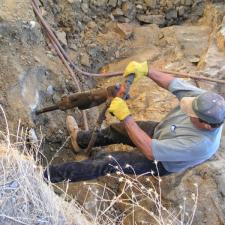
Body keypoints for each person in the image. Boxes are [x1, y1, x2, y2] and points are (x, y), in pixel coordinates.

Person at [44, 61, 225, 183]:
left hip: (160, 160)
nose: (187, 110)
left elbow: (150, 151)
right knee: (117, 130)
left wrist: (126, 116)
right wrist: (147, 70)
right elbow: (172, 83)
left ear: (206, 125)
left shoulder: (201, 144)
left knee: (108, 162)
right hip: (162, 130)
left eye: (191, 114)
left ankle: (48, 176)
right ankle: (80, 140)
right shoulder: (204, 101)